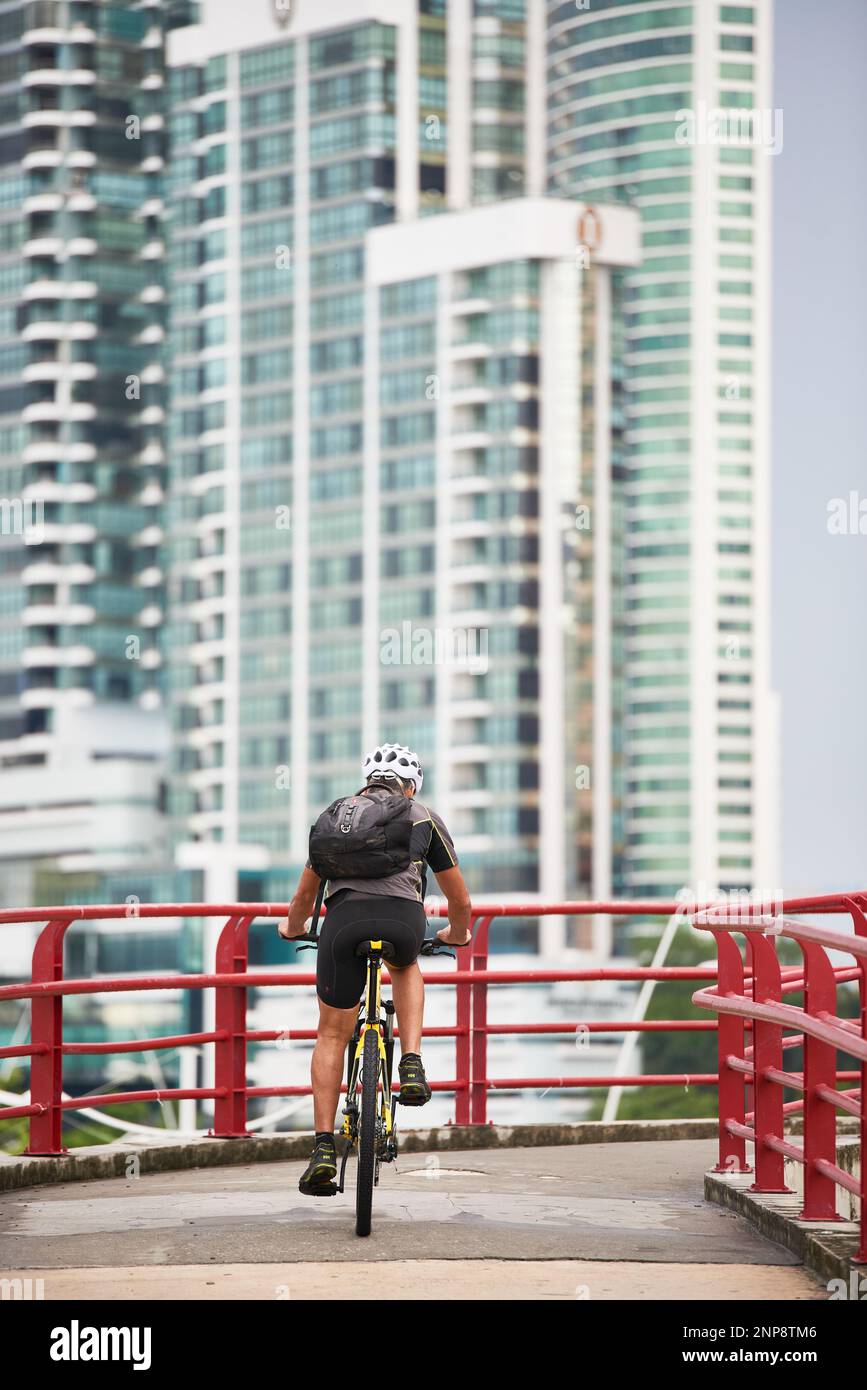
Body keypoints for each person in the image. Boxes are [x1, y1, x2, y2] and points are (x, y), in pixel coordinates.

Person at [277, 742, 472, 1196]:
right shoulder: (421, 815)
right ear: (411, 784)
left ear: (367, 778)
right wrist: (456, 935)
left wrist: (292, 929)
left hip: (342, 926)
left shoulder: (336, 818)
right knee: (405, 964)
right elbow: (460, 900)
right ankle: (411, 1062)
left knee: (330, 1034)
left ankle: (323, 1147)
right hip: (404, 922)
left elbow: (304, 899)